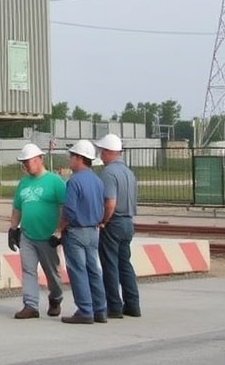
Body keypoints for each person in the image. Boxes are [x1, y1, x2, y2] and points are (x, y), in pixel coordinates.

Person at [7, 143, 66, 319]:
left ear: (40, 159)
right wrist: (12, 229)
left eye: (29, 161)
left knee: (52, 273)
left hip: (48, 236)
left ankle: (56, 297)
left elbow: (64, 209)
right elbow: (17, 208)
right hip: (27, 234)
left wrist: (60, 231)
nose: (26, 165)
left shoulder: (55, 182)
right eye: (23, 162)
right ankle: (30, 305)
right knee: (28, 270)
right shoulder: (23, 183)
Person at [55, 139, 107, 324]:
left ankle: (85, 310)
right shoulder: (97, 181)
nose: (69, 159)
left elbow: (69, 210)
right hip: (93, 232)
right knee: (94, 270)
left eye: (72, 156)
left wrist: (59, 230)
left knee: (78, 271)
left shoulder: (74, 181)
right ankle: (100, 309)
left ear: (79, 158)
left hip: (76, 232)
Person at [96, 133, 141, 318]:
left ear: (108, 152)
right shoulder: (128, 172)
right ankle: (133, 304)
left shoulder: (108, 173)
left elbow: (110, 202)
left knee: (110, 265)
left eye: (101, 151)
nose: (100, 155)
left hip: (113, 223)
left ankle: (114, 306)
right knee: (125, 264)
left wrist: (104, 221)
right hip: (128, 222)